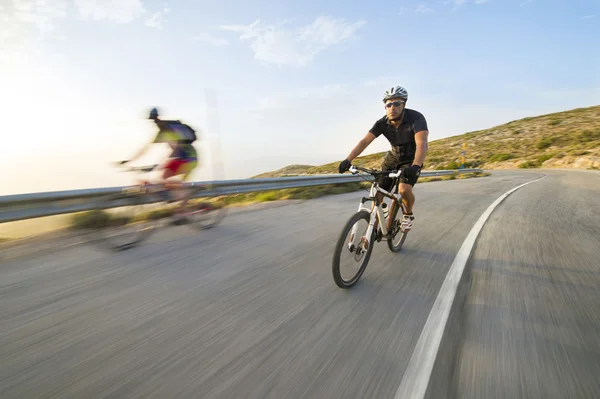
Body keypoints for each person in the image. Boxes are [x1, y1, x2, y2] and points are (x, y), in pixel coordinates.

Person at [338, 86, 429, 232]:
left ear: (404, 104)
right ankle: (373, 227)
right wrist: (348, 160)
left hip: (411, 160)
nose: (392, 107)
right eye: (389, 104)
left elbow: (422, 144)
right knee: (378, 193)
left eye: (397, 103)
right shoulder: (382, 123)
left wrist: (416, 166)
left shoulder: (416, 118)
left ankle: (407, 214)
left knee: (404, 189)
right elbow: (365, 142)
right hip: (392, 158)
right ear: (385, 106)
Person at [121, 107, 199, 223]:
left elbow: (175, 149)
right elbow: (145, 149)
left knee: (165, 179)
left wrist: (131, 162)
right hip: (184, 158)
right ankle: (181, 209)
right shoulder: (162, 132)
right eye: (153, 120)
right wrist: (129, 161)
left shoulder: (169, 130)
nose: (154, 122)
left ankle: (182, 210)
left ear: (157, 118)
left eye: (154, 119)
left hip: (189, 158)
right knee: (166, 180)